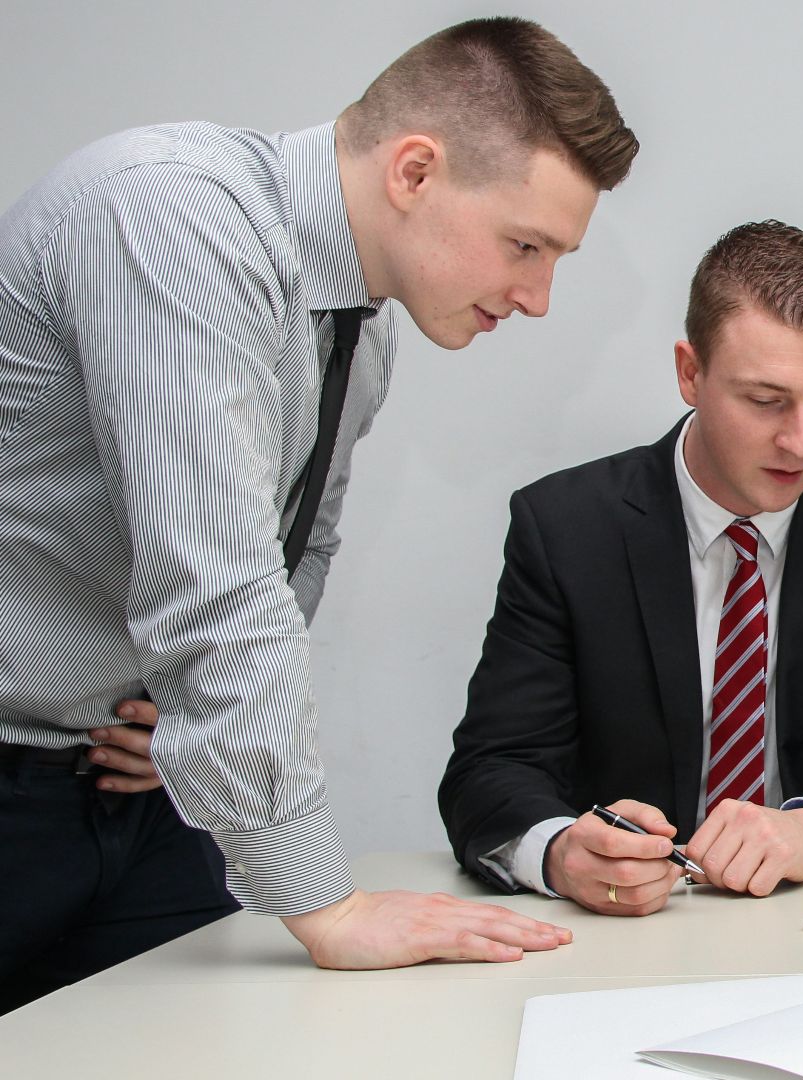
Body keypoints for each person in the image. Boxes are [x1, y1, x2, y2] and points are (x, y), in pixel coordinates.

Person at [0, 16, 637, 1008]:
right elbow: (215, 587)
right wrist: (326, 904)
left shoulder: (361, 333)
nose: (538, 296)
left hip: (129, 791)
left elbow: (299, 550)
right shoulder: (171, 214)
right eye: (526, 244)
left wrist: (183, 722)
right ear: (415, 172)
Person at [438, 221, 803, 914]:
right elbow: (490, 772)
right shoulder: (566, 529)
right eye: (764, 401)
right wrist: (561, 854)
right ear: (690, 373)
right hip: (625, 937)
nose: (800, 440)